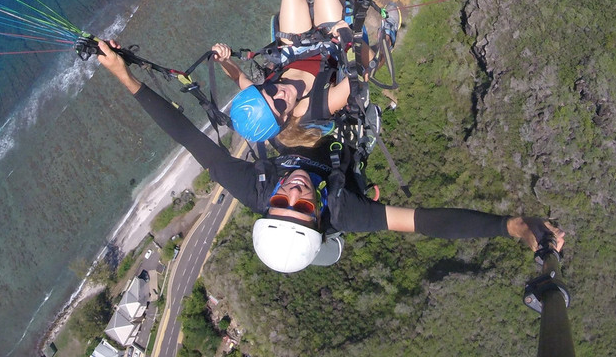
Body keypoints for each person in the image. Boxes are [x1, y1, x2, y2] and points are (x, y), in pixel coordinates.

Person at [96, 39, 566, 273]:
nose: (294, 190)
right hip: (336, 134)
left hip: (291, 132)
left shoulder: (255, 189)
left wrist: (123, 74)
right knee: (341, 76)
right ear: (319, 217)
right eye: (303, 206)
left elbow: (186, 136)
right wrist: (512, 227)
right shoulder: (344, 211)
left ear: (268, 205)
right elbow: (426, 222)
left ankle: (305, 58)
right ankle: (347, 60)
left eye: (281, 201)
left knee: (273, 103)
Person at [213, 0, 355, 146]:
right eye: (280, 105)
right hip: (331, 48)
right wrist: (348, 37)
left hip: (297, 50)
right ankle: (345, 7)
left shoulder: (262, 97)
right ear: (284, 119)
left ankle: (319, 14)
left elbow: (238, 77)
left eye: (271, 90)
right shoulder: (315, 106)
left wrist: (224, 60)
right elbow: (362, 74)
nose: (280, 94)